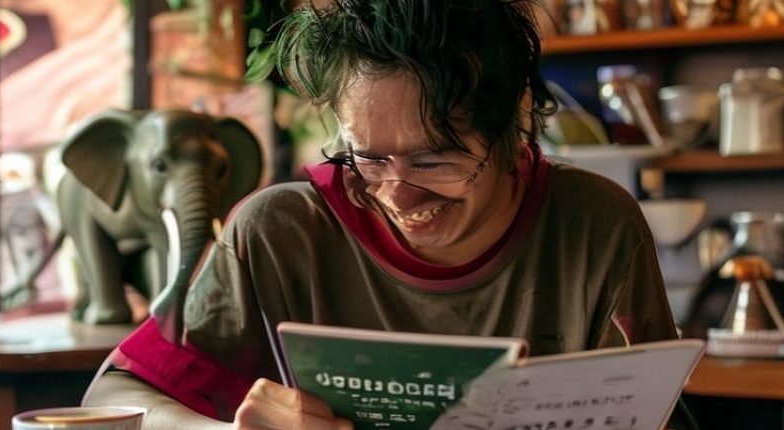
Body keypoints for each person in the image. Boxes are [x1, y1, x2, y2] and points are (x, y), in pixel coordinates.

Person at [84, 1, 695, 428]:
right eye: (369, 158)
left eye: (433, 161)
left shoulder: (595, 224)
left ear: (515, 122)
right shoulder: (279, 233)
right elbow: (111, 398)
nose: (398, 195)